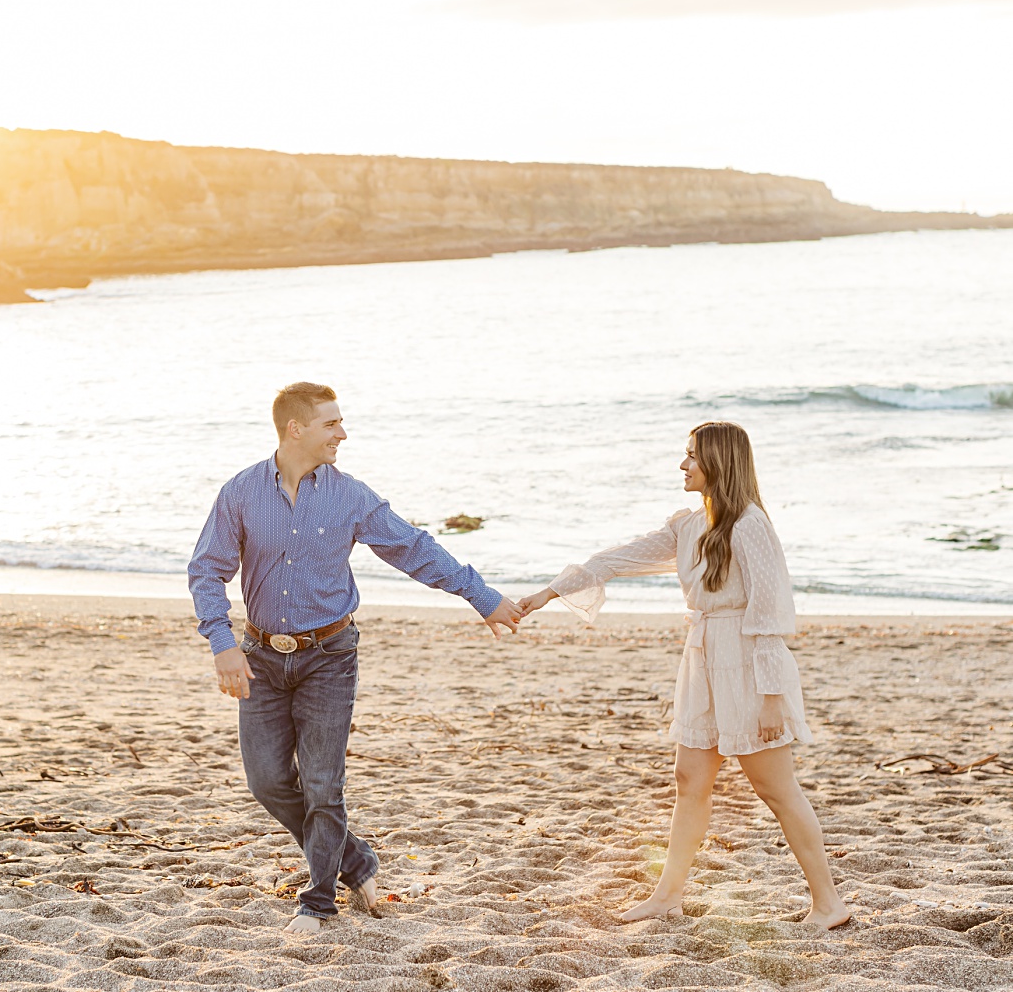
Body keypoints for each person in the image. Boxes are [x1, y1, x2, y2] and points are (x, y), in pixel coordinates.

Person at [188, 382, 522, 933]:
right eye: (331, 424)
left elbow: (413, 548)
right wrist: (222, 643)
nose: (342, 433)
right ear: (296, 428)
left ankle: (318, 901)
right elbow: (208, 568)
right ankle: (356, 860)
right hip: (261, 657)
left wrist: (481, 597)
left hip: (330, 656)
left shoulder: (351, 496)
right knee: (268, 782)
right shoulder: (241, 493)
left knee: (323, 785)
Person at [514, 421, 850, 930]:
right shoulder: (689, 525)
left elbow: (770, 612)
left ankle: (829, 904)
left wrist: (771, 696)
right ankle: (668, 894)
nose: (682, 464)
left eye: (692, 456)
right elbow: (617, 558)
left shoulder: (750, 524)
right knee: (689, 779)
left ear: (719, 462)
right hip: (702, 659)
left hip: (749, 665)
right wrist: (547, 594)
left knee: (776, 789)